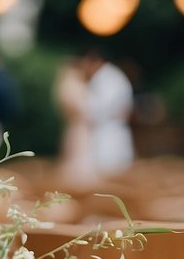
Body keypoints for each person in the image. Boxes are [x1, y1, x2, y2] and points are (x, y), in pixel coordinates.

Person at [55, 48, 134, 184]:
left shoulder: (108, 78)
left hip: (106, 133)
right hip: (94, 132)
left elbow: (100, 109)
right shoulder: (105, 78)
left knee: (107, 172)